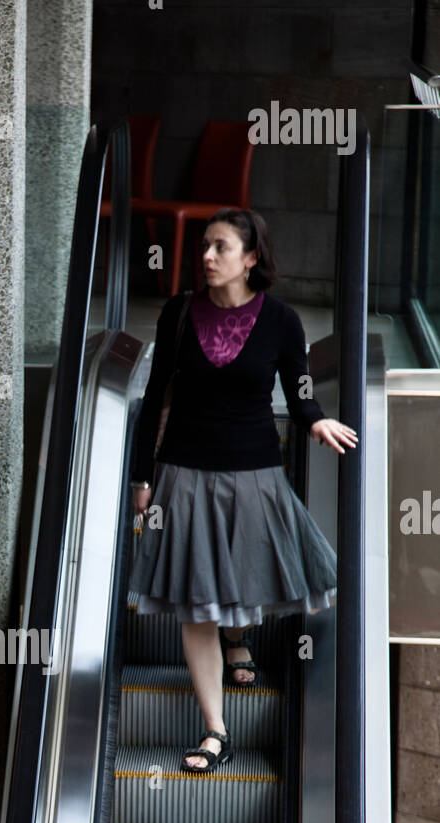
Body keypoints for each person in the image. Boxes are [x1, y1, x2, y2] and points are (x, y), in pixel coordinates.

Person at [128, 207, 357, 772]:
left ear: (251, 258)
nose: (206, 256)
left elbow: (298, 389)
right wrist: (142, 476)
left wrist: (315, 420)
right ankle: (215, 730)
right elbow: (156, 394)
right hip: (184, 473)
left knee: (246, 581)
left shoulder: (281, 321)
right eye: (205, 246)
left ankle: (239, 638)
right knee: (195, 604)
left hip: (254, 474)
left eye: (220, 247)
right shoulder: (180, 313)